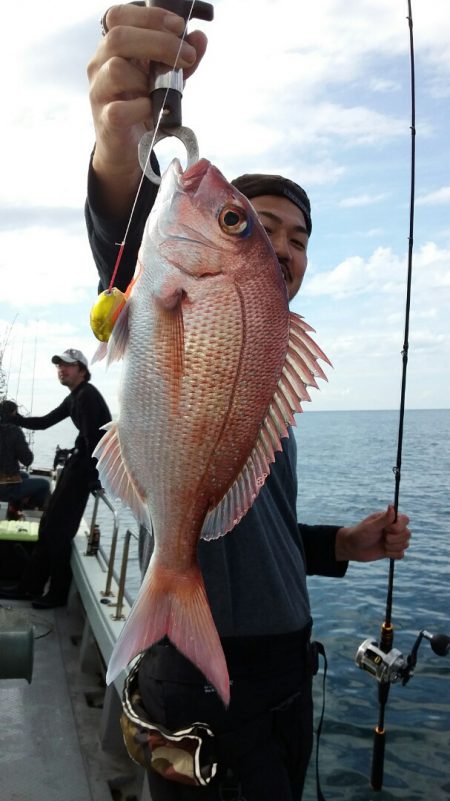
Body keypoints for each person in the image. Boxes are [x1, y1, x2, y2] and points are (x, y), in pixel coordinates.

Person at [85, 7, 411, 800]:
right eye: (256, 226)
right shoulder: (162, 290)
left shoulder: (265, 373)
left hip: (285, 672)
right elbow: (120, 234)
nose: (286, 248)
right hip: (202, 675)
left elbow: (245, 520)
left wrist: (342, 544)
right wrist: (122, 145)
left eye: (299, 239)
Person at [0, 350, 111, 609]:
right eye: (59, 366)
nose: (62, 369)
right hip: (78, 465)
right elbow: (45, 422)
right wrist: (16, 419)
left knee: (59, 532)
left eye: (68, 366)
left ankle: (56, 594)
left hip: (84, 470)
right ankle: (29, 587)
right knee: (48, 526)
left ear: (82, 370)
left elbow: (95, 440)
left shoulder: (87, 396)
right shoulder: (74, 397)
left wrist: (94, 477)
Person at [0, 399, 51, 519]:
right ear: (14, 414)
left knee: (24, 476)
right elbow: (27, 460)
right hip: (5, 486)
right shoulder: (14, 431)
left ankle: (13, 509)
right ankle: (26, 512)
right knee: (44, 484)